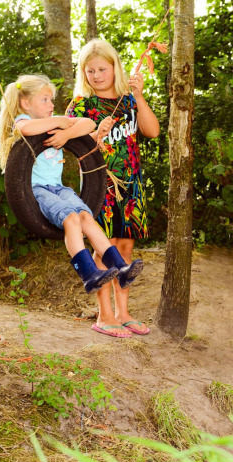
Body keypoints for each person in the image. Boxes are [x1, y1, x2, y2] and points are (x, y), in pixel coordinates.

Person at [0, 74, 144, 338]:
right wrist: (62, 121)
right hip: (37, 191)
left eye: (51, 99)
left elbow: (87, 123)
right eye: (45, 99)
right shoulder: (24, 121)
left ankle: (120, 267)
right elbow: (26, 130)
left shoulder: (56, 128)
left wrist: (67, 133)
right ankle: (88, 273)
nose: (51, 104)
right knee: (71, 220)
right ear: (26, 103)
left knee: (86, 216)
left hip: (59, 188)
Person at [67, 39, 160, 338]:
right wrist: (96, 134)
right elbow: (74, 148)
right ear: (83, 73)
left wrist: (139, 96)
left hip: (131, 184)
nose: (96, 75)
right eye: (89, 70)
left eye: (102, 69)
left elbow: (152, 131)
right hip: (101, 184)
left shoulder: (128, 100)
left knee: (126, 246)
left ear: (115, 67)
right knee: (103, 248)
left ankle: (123, 312)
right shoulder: (81, 105)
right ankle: (104, 315)